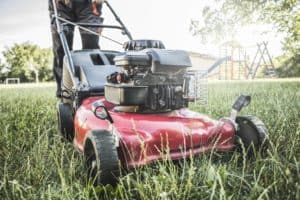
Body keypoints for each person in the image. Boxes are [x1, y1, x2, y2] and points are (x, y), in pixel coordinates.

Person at [48, 0, 104, 97]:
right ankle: (64, 91)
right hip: (61, 4)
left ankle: (96, 88)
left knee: (92, 49)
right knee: (61, 48)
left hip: (89, 4)